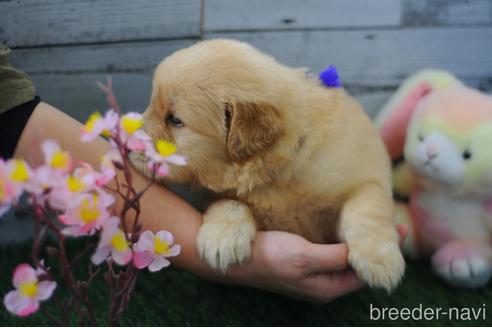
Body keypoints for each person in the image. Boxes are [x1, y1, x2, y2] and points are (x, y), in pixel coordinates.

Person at [0, 44, 407, 303]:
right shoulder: (231, 169)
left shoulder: (335, 141)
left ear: (245, 137)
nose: (141, 132)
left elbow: (368, 185)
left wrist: (368, 227)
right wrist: (229, 212)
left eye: (173, 119)